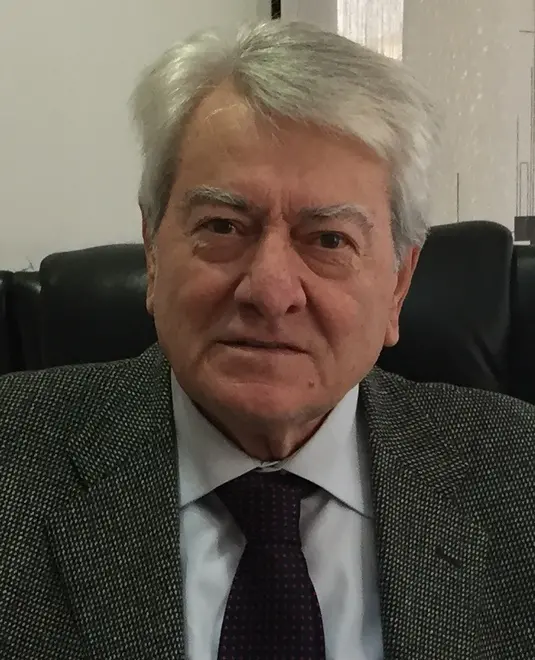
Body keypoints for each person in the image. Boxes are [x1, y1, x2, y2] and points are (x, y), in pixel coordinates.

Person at [0, 20, 534, 660]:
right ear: (152, 251)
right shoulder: (14, 460)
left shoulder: (517, 472)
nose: (271, 290)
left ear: (399, 284)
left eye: (329, 239)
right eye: (223, 226)